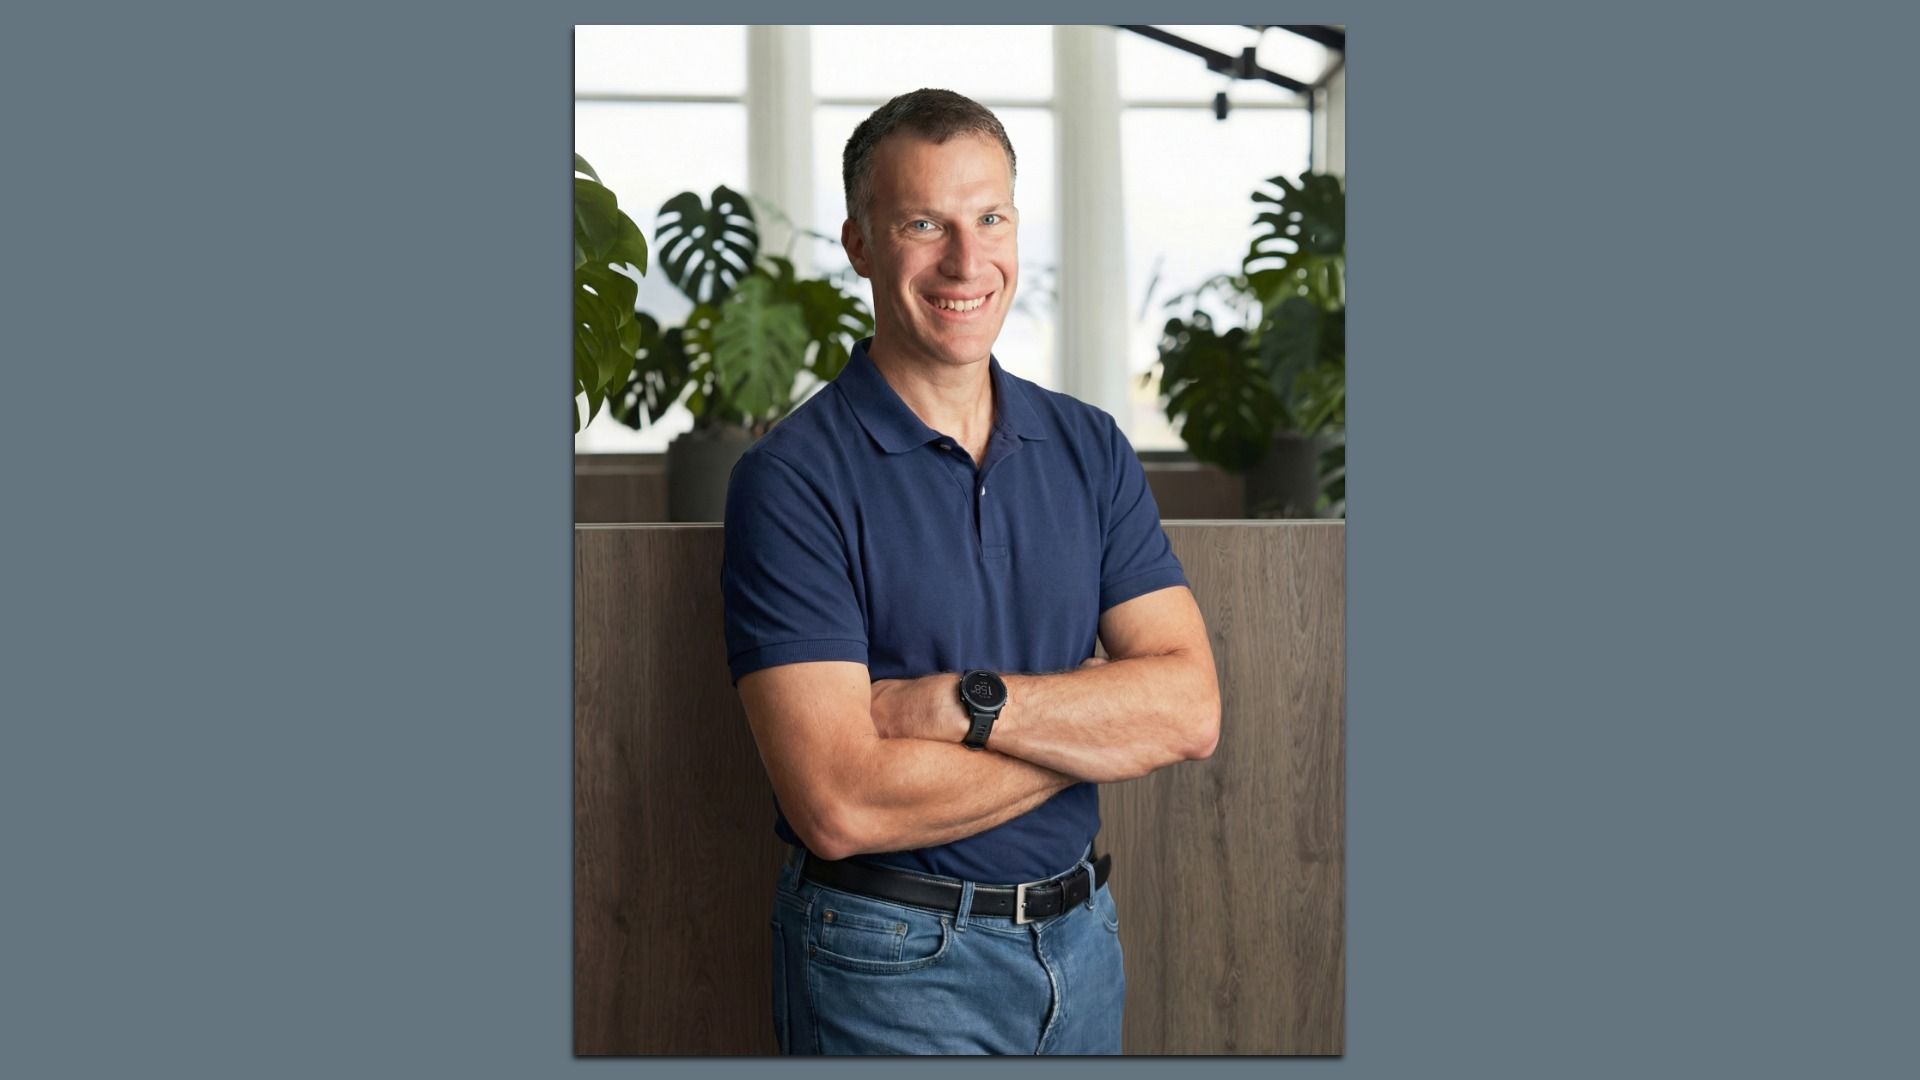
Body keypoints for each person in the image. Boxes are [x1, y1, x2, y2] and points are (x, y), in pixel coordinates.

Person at [721, 87, 1222, 1056]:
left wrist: (960, 705)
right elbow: (838, 802)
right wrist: (1090, 725)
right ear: (860, 245)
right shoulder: (791, 479)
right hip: (889, 962)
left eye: (990, 218)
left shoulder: (1090, 447)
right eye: (925, 224)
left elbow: (1189, 709)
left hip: (1083, 946)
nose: (965, 260)